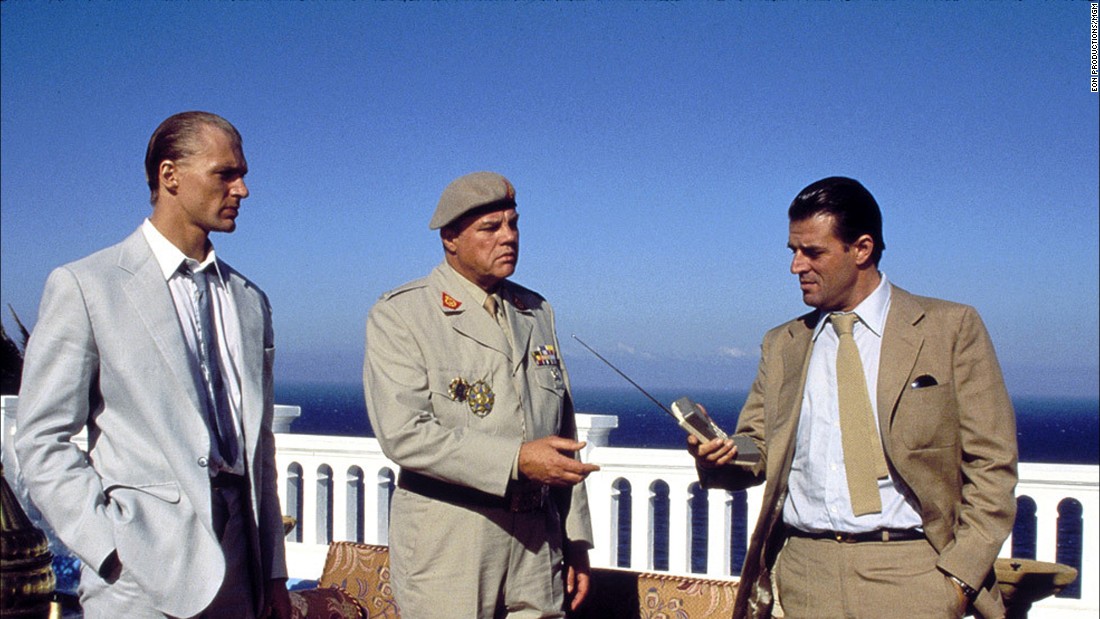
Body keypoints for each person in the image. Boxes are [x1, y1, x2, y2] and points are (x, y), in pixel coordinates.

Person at [689, 177, 1018, 619]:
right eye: (793, 251)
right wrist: (717, 456)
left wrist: (956, 579)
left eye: (813, 252)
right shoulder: (782, 344)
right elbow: (759, 448)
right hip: (805, 573)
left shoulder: (950, 328)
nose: (796, 266)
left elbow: (993, 463)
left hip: (912, 574)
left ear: (862, 249)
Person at [14, 111, 291, 619]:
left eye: (242, 173)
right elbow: (40, 437)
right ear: (170, 176)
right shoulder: (88, 286)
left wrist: (273, 571)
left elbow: (261, 447)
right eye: (225, 173)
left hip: (242, 563)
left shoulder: (251, 301)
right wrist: (110, 547)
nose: (243, 189)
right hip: (139, 572)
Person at [363, 171, 599, 618]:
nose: (508, 237)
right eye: (491, 228)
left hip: (536, 542)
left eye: (513, 223)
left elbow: (561, 432)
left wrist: (575, 541)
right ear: (450, 238)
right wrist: (516, 460)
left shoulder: (535, 311)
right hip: (451, 540)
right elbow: (404, 434)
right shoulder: (404, 314)